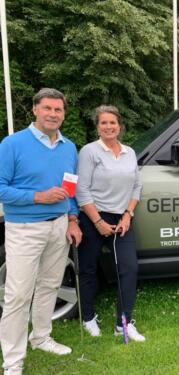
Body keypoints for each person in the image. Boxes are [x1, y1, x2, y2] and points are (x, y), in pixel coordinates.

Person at [0, 88, 82, 375]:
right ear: (35, 110)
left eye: (58, 110)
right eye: (47, 108)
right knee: (18, 294)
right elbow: (1, 188)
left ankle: (41, 337)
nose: (53, 114)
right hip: (25, 228)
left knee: (49, 286)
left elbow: (70, 188)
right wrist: (37, 197)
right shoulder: (12, 144)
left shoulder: (68, 147)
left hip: (59, 226)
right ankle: (12, 361)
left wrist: (72, 219)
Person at [75, 105, 145, 341]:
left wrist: (128, 215)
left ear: (120, 126)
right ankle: (88, 318)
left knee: (129, 269)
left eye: (112, 123)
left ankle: (122, 323)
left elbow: (137, 186)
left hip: (121, 218)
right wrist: (97, 221)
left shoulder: (129, 152)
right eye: (103, 123)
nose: (108, 127)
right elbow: (81, 189)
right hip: (93, 215)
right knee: (89, 268)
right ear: (97, 126)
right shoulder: (89, 151)